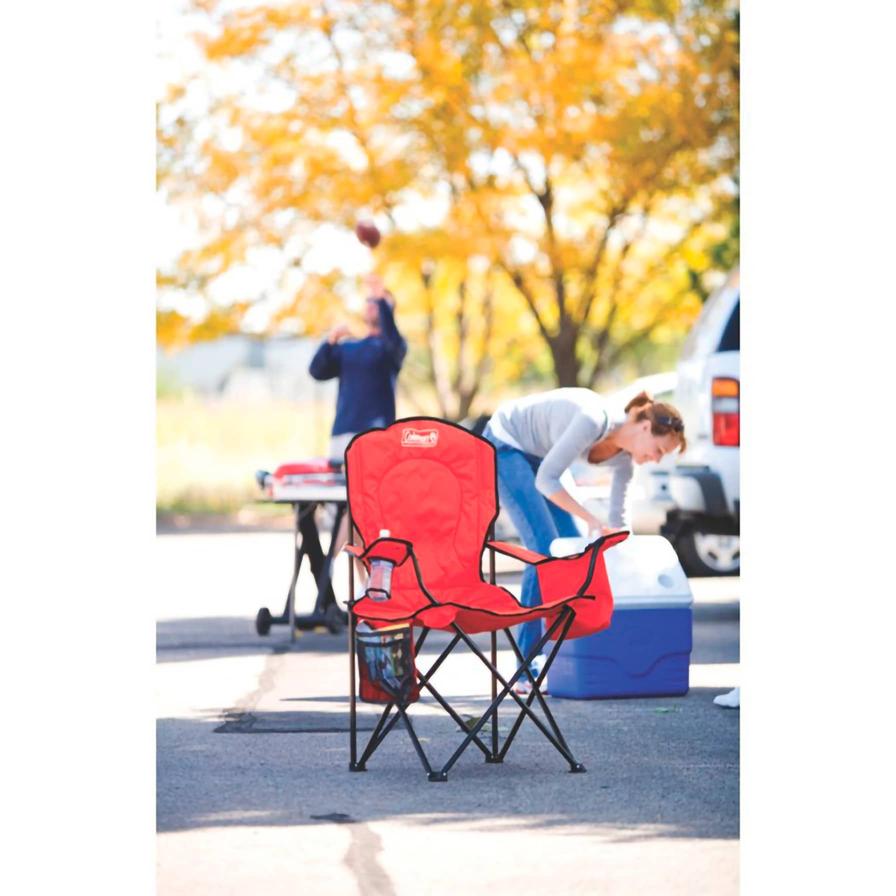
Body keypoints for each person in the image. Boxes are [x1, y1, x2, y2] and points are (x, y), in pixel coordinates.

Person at [482, 387, 687, 693]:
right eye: (659, 450)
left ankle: (560, 658)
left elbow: (619, 527)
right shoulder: (593, 420)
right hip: (507, 442)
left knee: (572, 552)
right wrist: (591, 519)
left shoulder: (623, 463)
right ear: (645, 427)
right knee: (544, 551)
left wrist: (626, 563)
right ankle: (525, 668)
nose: (656, 460)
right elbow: (546, 480)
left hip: (542, 456)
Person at [309, 274, 408, 597]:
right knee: (346, 511)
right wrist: (331, 341)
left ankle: (343, 578)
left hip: (374, 437)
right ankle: (350, 583)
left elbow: (394, 341)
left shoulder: (389, 348)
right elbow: (317, 370)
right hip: (343, 434)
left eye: (379, 301)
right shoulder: (352, 348)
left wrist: (382, 297)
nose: (372, 304)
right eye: (369, 301)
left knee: (363, 510)